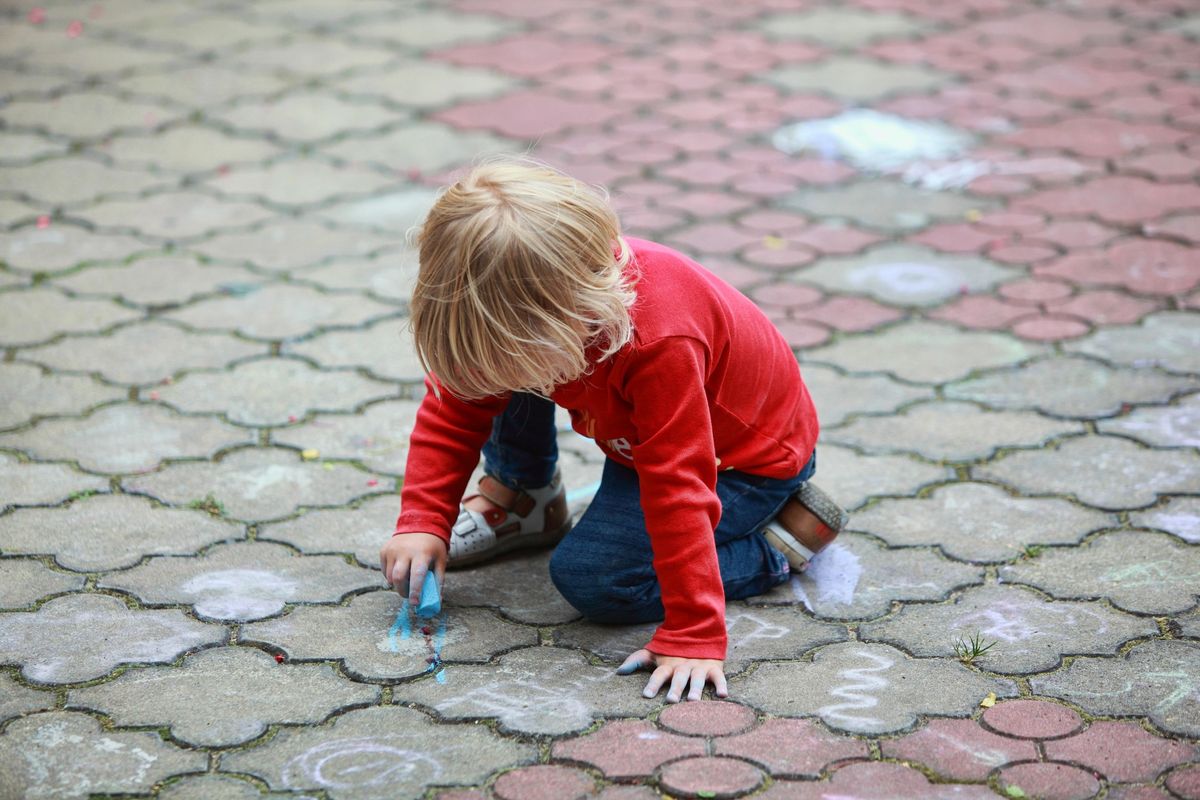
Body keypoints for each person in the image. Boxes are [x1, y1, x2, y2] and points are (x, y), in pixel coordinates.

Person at [379, 159, 846, 703]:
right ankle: (524, 501)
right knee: (491, 367)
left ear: (572, 311)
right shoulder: (545, 299)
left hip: (737, 464)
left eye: (520, 351)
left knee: (596, 579)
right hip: (639, 429)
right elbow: (456, 402)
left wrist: (694, 633)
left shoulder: (660, 343)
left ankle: (781, 543)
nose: (488, 375)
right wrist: (422, 520)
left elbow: (679, 487)